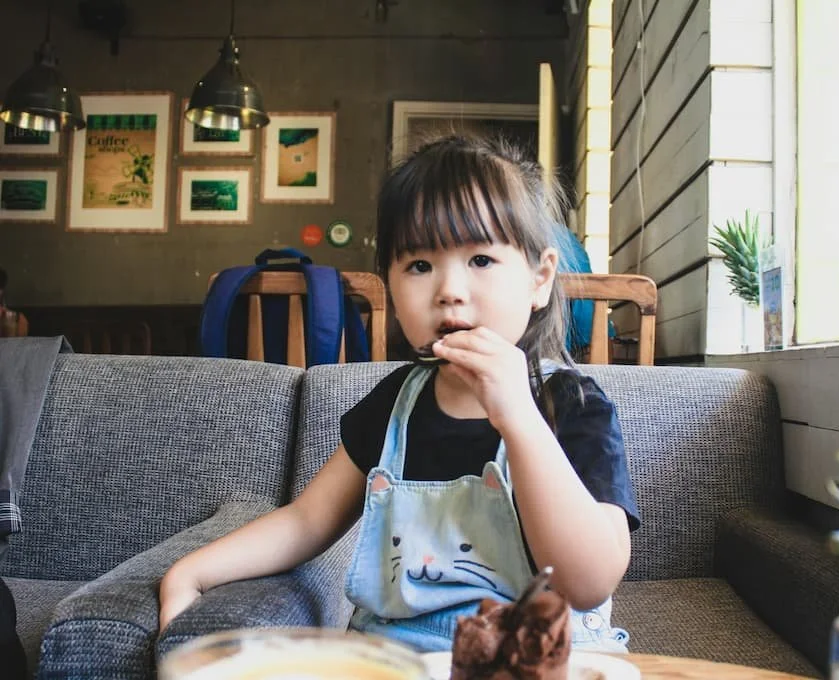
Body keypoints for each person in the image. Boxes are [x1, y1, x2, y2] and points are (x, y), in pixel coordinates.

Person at [159, 134, 641, 652]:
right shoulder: (395, 405)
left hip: (540, 657)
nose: (449, 289)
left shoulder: (570, 405)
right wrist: (191, 572)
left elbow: (589, 582)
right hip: (398, 655)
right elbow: (305, 522)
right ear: (389, 284)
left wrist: (519, 419)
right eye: (419, 265)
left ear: (539, 279)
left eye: (480, 259)